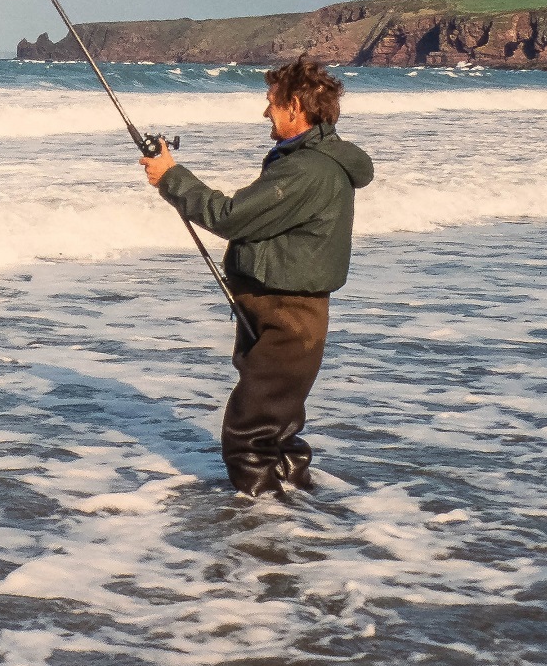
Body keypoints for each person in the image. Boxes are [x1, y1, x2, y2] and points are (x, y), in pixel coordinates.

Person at [139, 56, 374, 495]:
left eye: (272, 102)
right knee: (277, 427)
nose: (266, 111)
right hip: (281, 309)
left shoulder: (306, 170)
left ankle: (261, 529)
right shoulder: (309, 161)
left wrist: (171, 177)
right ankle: (298, 511)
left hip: (288, 315)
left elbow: (229, 217)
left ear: (295, 108)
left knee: (248, 433)